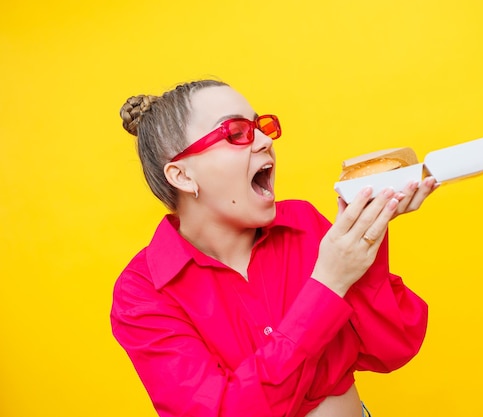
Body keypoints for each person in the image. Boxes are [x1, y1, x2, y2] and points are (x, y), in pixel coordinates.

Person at [110, 79, 438, 417]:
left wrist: (366, 238)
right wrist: (327, 284)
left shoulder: (302, 224)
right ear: (182, 176)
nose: (266, 141)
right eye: (236, 133)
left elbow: (393, 347)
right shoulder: (142, 293)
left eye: (261, 126)